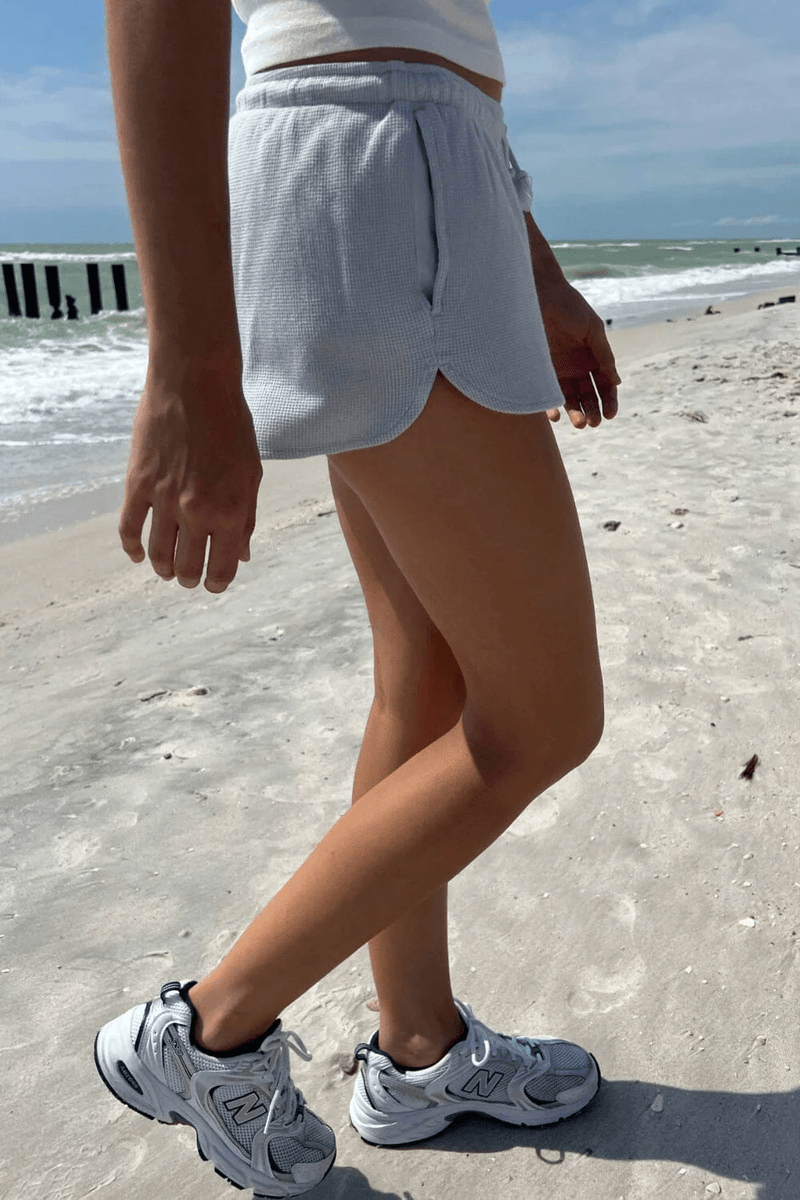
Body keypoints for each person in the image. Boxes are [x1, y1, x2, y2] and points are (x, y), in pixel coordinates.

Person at [96, 1, 621, 1196]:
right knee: (543, 718)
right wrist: (188, 364)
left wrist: (531, 264)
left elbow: (440, 37)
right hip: (383, 170)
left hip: (419, 170)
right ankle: (204, 1033)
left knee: (423, 679)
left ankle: (418, 1052)